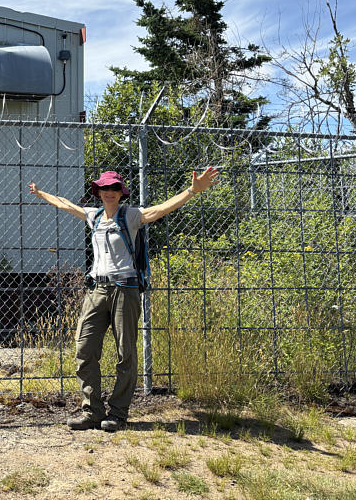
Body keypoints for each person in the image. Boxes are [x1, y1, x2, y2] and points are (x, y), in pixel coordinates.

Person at [28, 167, 220, 431]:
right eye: (104, 189)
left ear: (121, 193)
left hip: (125, 291)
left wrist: (192, 191)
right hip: (96, 291)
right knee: (84, 350)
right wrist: (40, 194)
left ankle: (117, 413)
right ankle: (93, 412)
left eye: (114, 189)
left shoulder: (131, 215)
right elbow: (65, 204)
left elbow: (161, 209)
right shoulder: (93, 216)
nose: (109, 193)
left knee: (125, 353)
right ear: (98, 192)